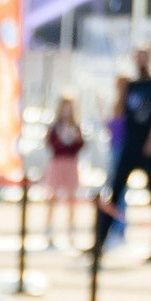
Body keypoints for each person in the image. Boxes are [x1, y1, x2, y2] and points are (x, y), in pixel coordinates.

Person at [111, 42, 151, 240]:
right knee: (115, 192)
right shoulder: (130, 86)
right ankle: (102, 240)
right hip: (130, 146)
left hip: (148, 150)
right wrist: (120, 90)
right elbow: (118, 113)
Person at [41, 95, 85, 247]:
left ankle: (71, 232)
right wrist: (63, 139)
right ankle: (49, 231)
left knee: (72, 200)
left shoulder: (76, 127)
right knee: (52, 199)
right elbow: (52, 145)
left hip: (71, 164)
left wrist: (74, 138)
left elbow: (79, 146)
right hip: (57, 164)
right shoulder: (55, 127)